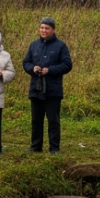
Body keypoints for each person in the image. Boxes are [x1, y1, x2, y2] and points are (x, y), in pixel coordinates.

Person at [23, 17, 72, 154]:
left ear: (53, 30)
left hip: (53, 89)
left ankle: (54, 148)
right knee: (36, 119)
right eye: (42, 28)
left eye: (47, 28)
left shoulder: (61, 46)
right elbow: (26, 62)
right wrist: (32, 68)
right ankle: (35, 146)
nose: (43, 30)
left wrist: (50, 70)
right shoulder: (33, 45)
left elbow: (67, 65)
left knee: (53, 120)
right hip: (36, 88)